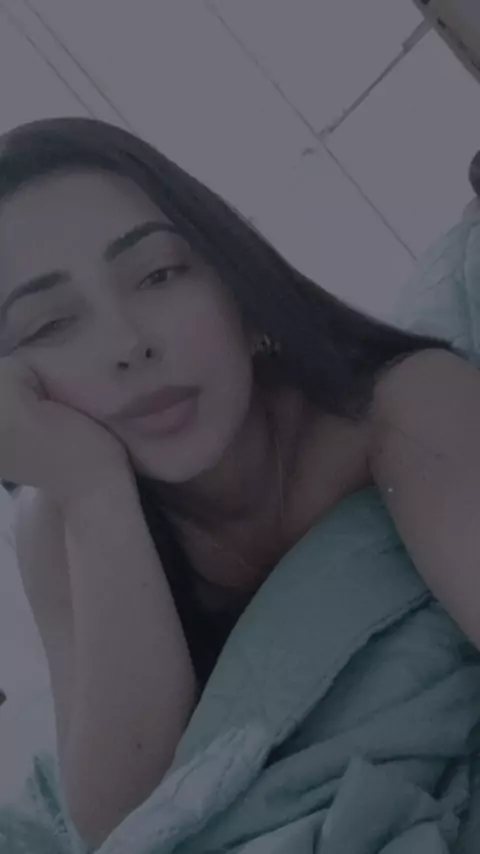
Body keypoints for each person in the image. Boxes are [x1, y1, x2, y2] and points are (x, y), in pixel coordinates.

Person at [0, 116, 480, 850]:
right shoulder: (59, 518)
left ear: (235, 281)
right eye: (49, 324)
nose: (129, 344)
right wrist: (97, 492)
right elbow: (120, 820)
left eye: (158, 275)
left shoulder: (397, 405)